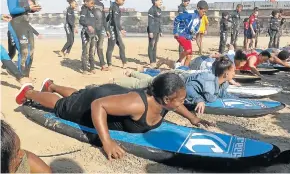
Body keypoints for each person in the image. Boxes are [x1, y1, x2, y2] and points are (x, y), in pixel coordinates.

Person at [15, 74, 213, 160]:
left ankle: (52, 85)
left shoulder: (165, 101)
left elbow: (176, 107)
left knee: (78, 96)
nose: (183, 103)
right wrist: (107, 141)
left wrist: (193, 119)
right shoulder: (138, 105)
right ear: (166, 99)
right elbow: (97, 105)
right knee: (63, 107)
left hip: (112, 95)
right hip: (99, 100)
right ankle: (30, 92)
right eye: (180, 99)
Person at [7, 0, 41, 78]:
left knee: (31, 52)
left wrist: (33, 9)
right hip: (17, 24)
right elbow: (12, 10)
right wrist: (28, 7)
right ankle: (21, 76)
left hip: (25, 24)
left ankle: (26, 75)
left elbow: (24, 8)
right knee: (24, 51)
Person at [173, 0, 209, 68]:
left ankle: (185, 69)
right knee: (188, 50)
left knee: (189, 56)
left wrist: (192, 36)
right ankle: (178, 61)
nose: (204, 13)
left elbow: (194, 28)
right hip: (181, 33)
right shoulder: (189, 13)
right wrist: (175, 31)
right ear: (198, 8)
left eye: (205, 12)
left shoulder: (200, 18)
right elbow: (177, 19)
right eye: (203, 11)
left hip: (187, 36)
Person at [106, 0, 128, 69]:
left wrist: (105, 26)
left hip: (115, 29)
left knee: (122, 46)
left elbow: (109, 17)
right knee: (110, 48)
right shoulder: (114, 7)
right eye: (123, 0)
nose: (123, 2)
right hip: (113, 30)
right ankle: (109, 64)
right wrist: (121, 29)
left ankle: (124, 62)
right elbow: (115, 20)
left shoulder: (114, 6)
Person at [91, 0, 110, 71]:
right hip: (93, 29)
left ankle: (103, 64)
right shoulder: (90, 2)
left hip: (101, 28)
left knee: (100, 47)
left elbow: (103, 18)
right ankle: (91, 65)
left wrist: (107, 29)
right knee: (92, 47)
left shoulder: (101, 4)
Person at [79, 0, 97, 74]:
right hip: (85, 33)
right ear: (86, 3)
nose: (93, 5)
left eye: (94, 3)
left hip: (93, 34)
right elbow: (81, 20)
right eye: (91, 3)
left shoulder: (91, 12)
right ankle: (85, 69)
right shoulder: (84, 10)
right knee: (85, 51)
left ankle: (92, 68)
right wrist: (88, 26)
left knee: (92, 51)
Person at [147, 0, 163, 67]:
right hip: (152, 30)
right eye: (160, 1)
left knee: (155, 46)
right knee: (151, 45)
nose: (161, 2)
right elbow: (150, 21)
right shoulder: (151, 10)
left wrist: (160, 30)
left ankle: (154, 60)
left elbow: (159, 21)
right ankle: (151, 61)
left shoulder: (159, 10)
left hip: (157, 30)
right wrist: (150, 31)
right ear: (155, 1)